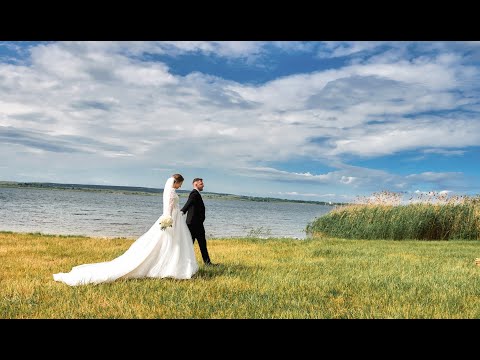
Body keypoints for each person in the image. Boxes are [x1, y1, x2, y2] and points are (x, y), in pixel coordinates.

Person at [53, 174, 198, 286]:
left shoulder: (170, 191)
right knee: (171, 243)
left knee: (171, 244)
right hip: (172, 219)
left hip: (174, 218)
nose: (180, 186)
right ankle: (172, 267)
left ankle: (171, 266)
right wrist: (168, 219)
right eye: (180, 183)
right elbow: (169, 208)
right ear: (176, 182)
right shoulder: (172, 192)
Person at [181, 177, 214, 266]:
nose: (203, 185)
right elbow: (188, 205)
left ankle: (207, 263)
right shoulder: (194, 194)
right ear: (195, 184)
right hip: (193, 225)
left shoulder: (196, 194)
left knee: (202, 244)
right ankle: (184, 263)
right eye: (201, 184)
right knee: (191, 244)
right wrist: (181, 213)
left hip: (197, 224)